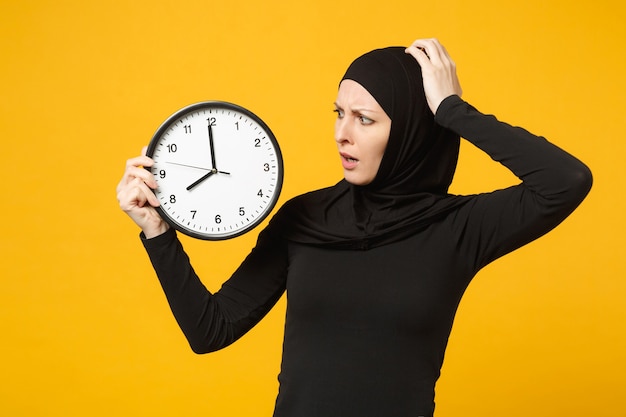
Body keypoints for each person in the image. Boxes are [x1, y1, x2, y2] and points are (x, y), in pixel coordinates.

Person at [117, 38, 592, 417]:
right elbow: (210, 331)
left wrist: (451, 110)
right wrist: (158, 231)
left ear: (411, 128)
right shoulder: (304, 218)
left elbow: (566, 181)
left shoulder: (458, 227)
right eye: (339, 113)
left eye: (365, 119)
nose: (342, 133)